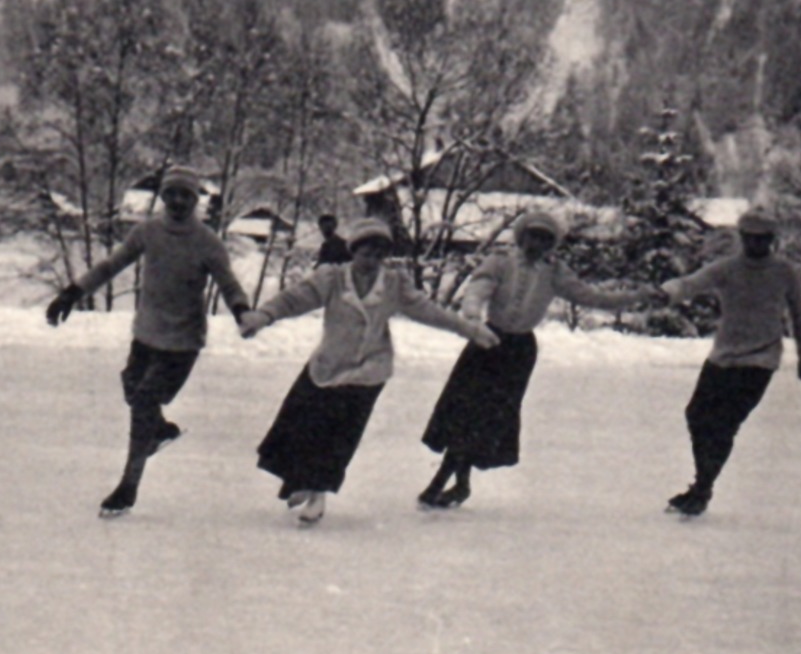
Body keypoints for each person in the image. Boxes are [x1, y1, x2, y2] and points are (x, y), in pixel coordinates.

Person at [239, 217, 499, 526]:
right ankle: (301, 481)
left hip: (368, 370)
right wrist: (264, 316)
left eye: (379, 254)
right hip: (327, 365)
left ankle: (318, 492)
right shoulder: (332, 278)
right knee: (300, 424)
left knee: (340, 435)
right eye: (366, 253)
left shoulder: (393, 284)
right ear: (354, 251)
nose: (372, 260)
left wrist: (467, 329)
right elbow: (295, 298)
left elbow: (428, 311)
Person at [417, 210, 660, 509]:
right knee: (465, 412)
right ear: (522, 236)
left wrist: (638, 297)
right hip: (486, 342)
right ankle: (452, 482)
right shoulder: (501, 261)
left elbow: (592, 297)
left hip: (518, 351)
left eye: (546, 239)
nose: (538, 244)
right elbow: (478, 288)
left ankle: (447, 482)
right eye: (533, 236)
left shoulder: (554, 272)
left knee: (488, 418)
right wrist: (472, 318)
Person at [46, 166, 251, 519]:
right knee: (132, 389)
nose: (177, 201)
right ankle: (159, 430)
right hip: (146, 335)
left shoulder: (207, 242)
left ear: (195, 200)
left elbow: (228, 283)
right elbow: (111, 265)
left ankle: (128, 486)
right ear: (162, 197)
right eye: (171, 193)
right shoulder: (148, 232)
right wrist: (72, 293)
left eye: (185, 195)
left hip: (183, 341)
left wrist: (242, 311)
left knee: (143, 400)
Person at [658, 207, 801, 517]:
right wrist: (666, 292)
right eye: (750, 238)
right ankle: (701, 484)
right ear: (741, 238)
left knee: (725, 424)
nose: (756, 245)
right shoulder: (728, 269)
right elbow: (691, 283)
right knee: (696, 416)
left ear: (771, 240)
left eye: (763, 239)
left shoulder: (784, 272)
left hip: (760, 360)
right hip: (724, 356)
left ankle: (702, 488)